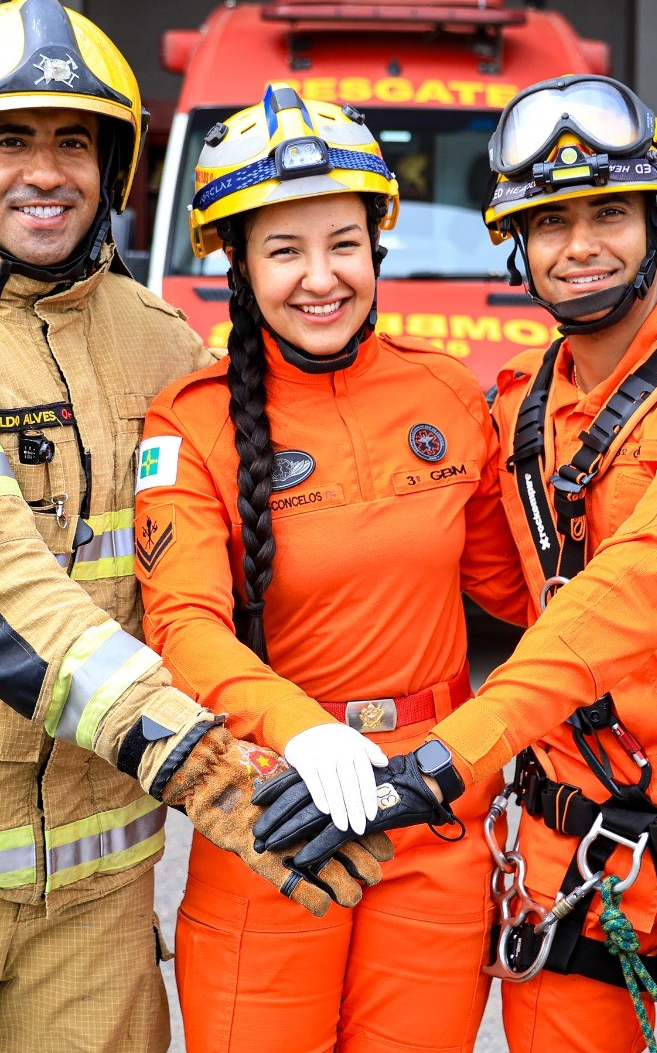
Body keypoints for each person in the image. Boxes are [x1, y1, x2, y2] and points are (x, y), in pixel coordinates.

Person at [0, 0, 384, 1053]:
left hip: (102, 886)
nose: (45, 171)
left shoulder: (161, 345)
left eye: (73, 142)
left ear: (115, 168)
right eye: (10, 140)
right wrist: (200, 764)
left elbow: (247, 566)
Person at [258, 74, 657, 1052]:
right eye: (549, 223)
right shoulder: (512, 408)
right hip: (575, 839)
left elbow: (629, 592)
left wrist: (447, 755)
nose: (578, 245)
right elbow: (495, 580)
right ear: (517, 244)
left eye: (607, 215)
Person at [131, 82, 531, 1053]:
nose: (320, 277)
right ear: (232, 260)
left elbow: (515, 591)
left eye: (342, 244)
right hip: (272, 805)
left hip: (434, 805)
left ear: (377, 245)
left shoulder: (443, 387)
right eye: (283, 250)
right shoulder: (189, 420)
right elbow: (179, 624)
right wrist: (304, 734)